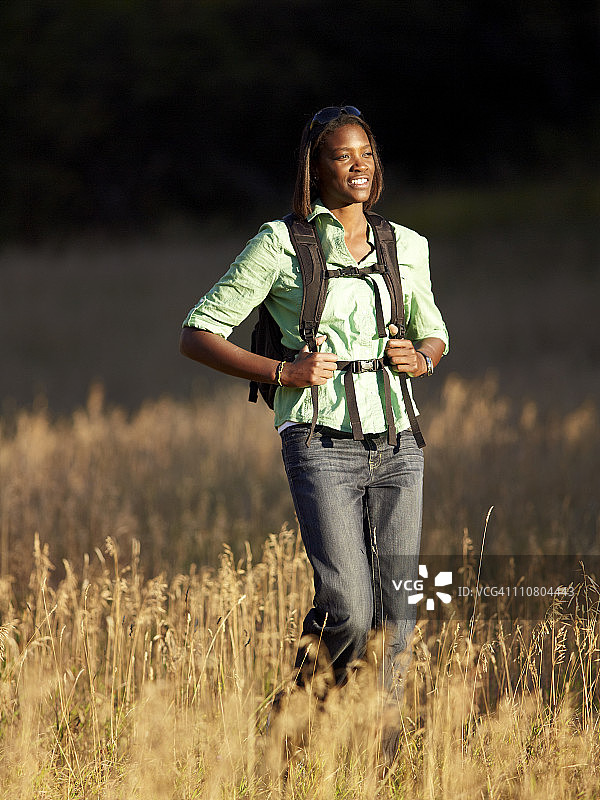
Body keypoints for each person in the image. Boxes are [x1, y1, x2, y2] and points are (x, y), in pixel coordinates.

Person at [179, 106, 448, 699]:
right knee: (349, 607)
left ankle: (381, 763)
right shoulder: (280, 243)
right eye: (342, 155)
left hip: (401, 441)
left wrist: (422, 357)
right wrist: (283, 371)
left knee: (399, 615)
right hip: (319, 441)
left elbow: (434, 330)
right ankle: (294, 723)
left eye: (367, 154)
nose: (359, 166)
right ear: (315, 168)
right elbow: (198, 332)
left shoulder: (406, 245)